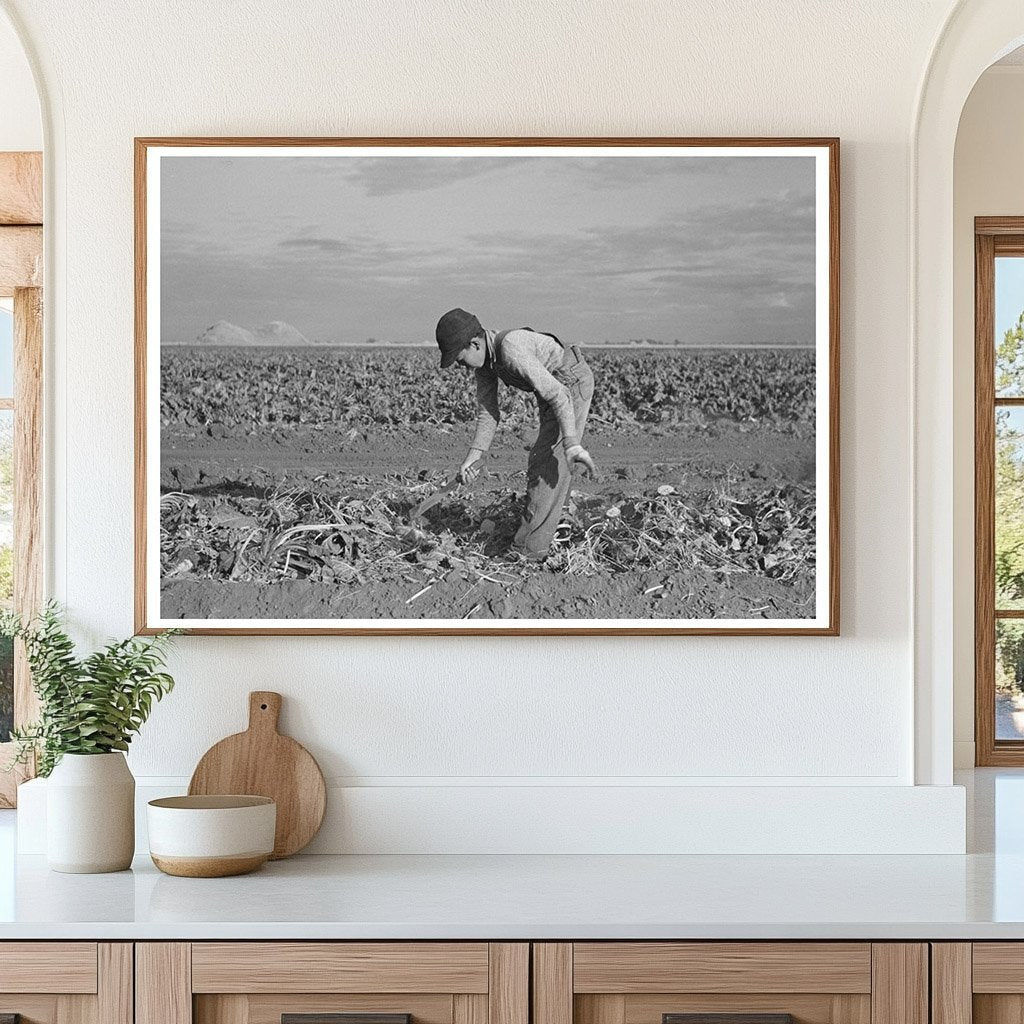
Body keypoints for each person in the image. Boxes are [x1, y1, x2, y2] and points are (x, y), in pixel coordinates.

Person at [435, 307, 596, 560]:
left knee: (545, 461)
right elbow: (488, 413)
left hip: (569, 384)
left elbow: (560, 394)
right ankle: (557, 527)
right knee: (550, 459)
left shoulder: (510, 349)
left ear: (475, 344)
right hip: (553, 390)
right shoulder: (485, 364)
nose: (462, 366)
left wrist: (571, 441)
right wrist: (473, 457)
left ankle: (528, 552)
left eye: (460, 358)